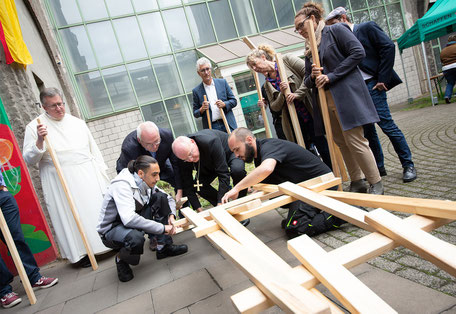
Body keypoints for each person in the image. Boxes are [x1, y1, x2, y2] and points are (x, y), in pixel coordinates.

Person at [296, 2, 384, 195]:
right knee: (341, 142)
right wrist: (312, 75)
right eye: (296, 29)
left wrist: (331, 75)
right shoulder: (309, 45)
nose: (299, 31)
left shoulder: (335, 30)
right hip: (324, 100)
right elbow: (307, 81)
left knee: (355, 140)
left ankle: (375, 181)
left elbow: (358, 52)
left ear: (312, 19)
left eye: (300, 25)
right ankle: (357, 180)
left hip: (346, 95)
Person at [325, 7, 417, 183]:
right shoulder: (339, 40)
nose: (332, 31)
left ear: (343, 18)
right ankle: (379, 167)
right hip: (357, 90)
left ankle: (408, 165)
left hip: (372, 86)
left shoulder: (366, 27)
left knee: (386, 125)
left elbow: (388, 47)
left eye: (334, 25)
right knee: (368, 131)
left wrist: (382, 78)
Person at [23, 87, 110, 268]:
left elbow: (93, 149)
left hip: (87, 174)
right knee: (69, 215)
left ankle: (107, 243)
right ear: (44, 107)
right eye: (53, 106)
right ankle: (80, 254)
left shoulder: (77, 122)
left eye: (60, 104)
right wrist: (39, 140)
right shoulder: (35, 127)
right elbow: (29, 159)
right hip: (59, 178)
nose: (59, 108)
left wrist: (101, 171)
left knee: (95, 209)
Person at [221, 128, 343, 238]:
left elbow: (266, 169)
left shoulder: (269, 147)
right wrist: (238, 205)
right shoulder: (261, 158)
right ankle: (306, 215)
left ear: (249, 140)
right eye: (233, 152)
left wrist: (236, 188)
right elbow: (264, 188)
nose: (236, 155)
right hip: (305, 189)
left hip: (321, 185)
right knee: (289, 222)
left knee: (295, 228)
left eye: (237, 149)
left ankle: (340, 214)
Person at [97, 156, 188, 282]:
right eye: (154, 175)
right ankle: (121, 260)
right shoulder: (122, 185)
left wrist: (171, 216)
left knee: (160, 198)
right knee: (135, 238)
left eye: (158, 174)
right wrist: (162, 228)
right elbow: (128, 219)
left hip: (133, 219)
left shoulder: (145, 181)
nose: (158, 178)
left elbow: (167, 198)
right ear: (141, 173)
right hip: (113, 229)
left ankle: (163, 247)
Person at [246, 44, 332, 169]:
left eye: (255, 64)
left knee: (323, 145)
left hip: (309, 111)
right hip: (293, 121)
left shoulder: (286, 60)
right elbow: (275, 107)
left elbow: (308, 74)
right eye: (252, 67)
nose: (255, 68)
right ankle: (318, 174)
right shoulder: (267, 85)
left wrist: (297, 94)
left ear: (263, 57)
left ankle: (333, 173)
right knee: (304, 151)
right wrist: (282, 93)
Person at [0, 173, 58, 308]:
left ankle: (33, 276)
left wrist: (3, 187)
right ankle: (4, 290)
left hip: (2, 195)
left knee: (17, 238)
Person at [171, 130, 248, 214]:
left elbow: (223, 174)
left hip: (228, 153)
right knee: (199, 185)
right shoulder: (182, 155)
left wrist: (220, 202)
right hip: (208, 164)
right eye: (186, 159)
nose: (191, 159)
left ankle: (241, 202)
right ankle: (224, 207)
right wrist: (198, 209)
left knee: (237, 170)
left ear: (193, 142)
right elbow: (188, 183)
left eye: (190, 154)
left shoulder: (210, 141)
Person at [116, 121, 183, 203]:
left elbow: (175, 163)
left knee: (181, 181)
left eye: (157, 141)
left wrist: (180, 190)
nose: (155, 146)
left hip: (161, 164)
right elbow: (129, 175)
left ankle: (183, 208)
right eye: (149, 144)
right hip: (135, 170)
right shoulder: (129, 148)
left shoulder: (167, 136)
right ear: (139, 140)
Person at [192, 57, 238, 132]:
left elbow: (234, 101)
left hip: (228, 123)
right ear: (198, 73)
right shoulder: (196, 91)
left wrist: (224, 104)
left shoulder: (223, 83)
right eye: (203, 70)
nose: (206, 72)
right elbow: (195, 113)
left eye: (207, 69)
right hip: (212, 127)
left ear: (211, 69)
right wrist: (202, 109)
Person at [440, 34, 456, 104]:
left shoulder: (443, 51)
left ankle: (447, 96)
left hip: (446, 69)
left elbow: (441, 60)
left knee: (450, 83)